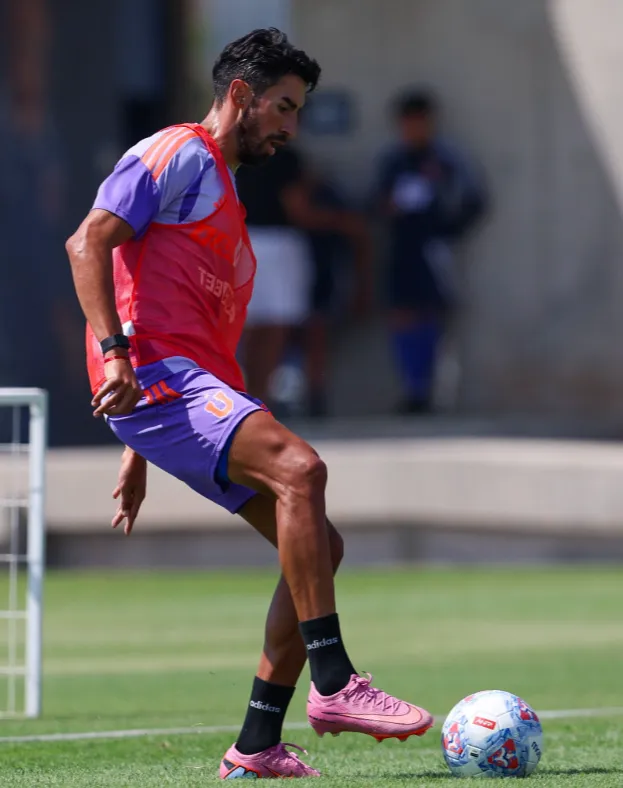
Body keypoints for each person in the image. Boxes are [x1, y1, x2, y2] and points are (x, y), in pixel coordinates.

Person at [65, 29, 432, 780]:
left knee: (320, 545)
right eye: (284, 107)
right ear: (240, 94)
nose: (290, 127)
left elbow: (169, 304)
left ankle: (257, 743)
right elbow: (87, 243)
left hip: (179, 392)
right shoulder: (175, 151)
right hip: (157, 377)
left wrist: (138, 447)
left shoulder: (226, 195)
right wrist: (116, 357)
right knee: (301, 469)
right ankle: (335, 681)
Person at [374, 90, 487, 414]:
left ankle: (437, 390)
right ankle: (413, 388)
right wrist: (392, 206)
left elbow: (475, 199)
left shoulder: (447, 160)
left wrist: (448, 229)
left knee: (436, 312)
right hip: (402, 245)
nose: (413, 129)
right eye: (407, 123)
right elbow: (375, 202)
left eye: (419, 122)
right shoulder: (394, 161)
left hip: (435, 247)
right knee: (402, 313)